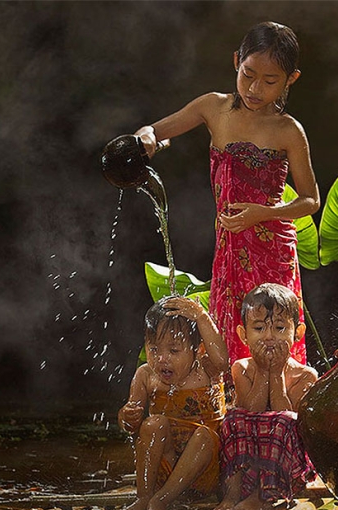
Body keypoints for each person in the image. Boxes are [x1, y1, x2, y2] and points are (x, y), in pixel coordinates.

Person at [134, 21, 321, 367]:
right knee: (229, 334)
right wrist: (147, 138)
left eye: (270, 81)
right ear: (237, 61)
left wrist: (263, 213)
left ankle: (277, 401)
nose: (255, 88)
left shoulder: (289, 131)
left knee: (270, 333)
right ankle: (233, 402)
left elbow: (311, 200)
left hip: (272, 248)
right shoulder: (213, 108)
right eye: (248, 74)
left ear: (291, 79)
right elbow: (156, 130)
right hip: (230, 243)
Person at [117, 295, 229, 510]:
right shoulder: (145, 375)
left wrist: (201, 317)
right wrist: (127, 416)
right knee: (152, 424)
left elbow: (223, 361)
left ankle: (161, 500)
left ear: (198, 350)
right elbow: (131, 425)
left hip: (205, 472)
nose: (162, 359)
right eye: (154, 348)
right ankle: (144, 497)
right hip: (165, 469)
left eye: (174, 351)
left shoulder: (206, 369)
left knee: (204, 436)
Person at [210, 283, 318, 510]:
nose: (269, 337)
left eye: (280, 328)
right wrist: (262, 370)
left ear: (297, 333)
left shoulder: (305, 375)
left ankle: (262, 497)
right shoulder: (241, 368)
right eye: (259, 328)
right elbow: (252, 409)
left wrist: (276, 372)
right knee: (233, 418)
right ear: (243, 335)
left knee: (287, 420)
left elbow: (290, 422)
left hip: (287, 467)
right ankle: (232, 494)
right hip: (250, 463)